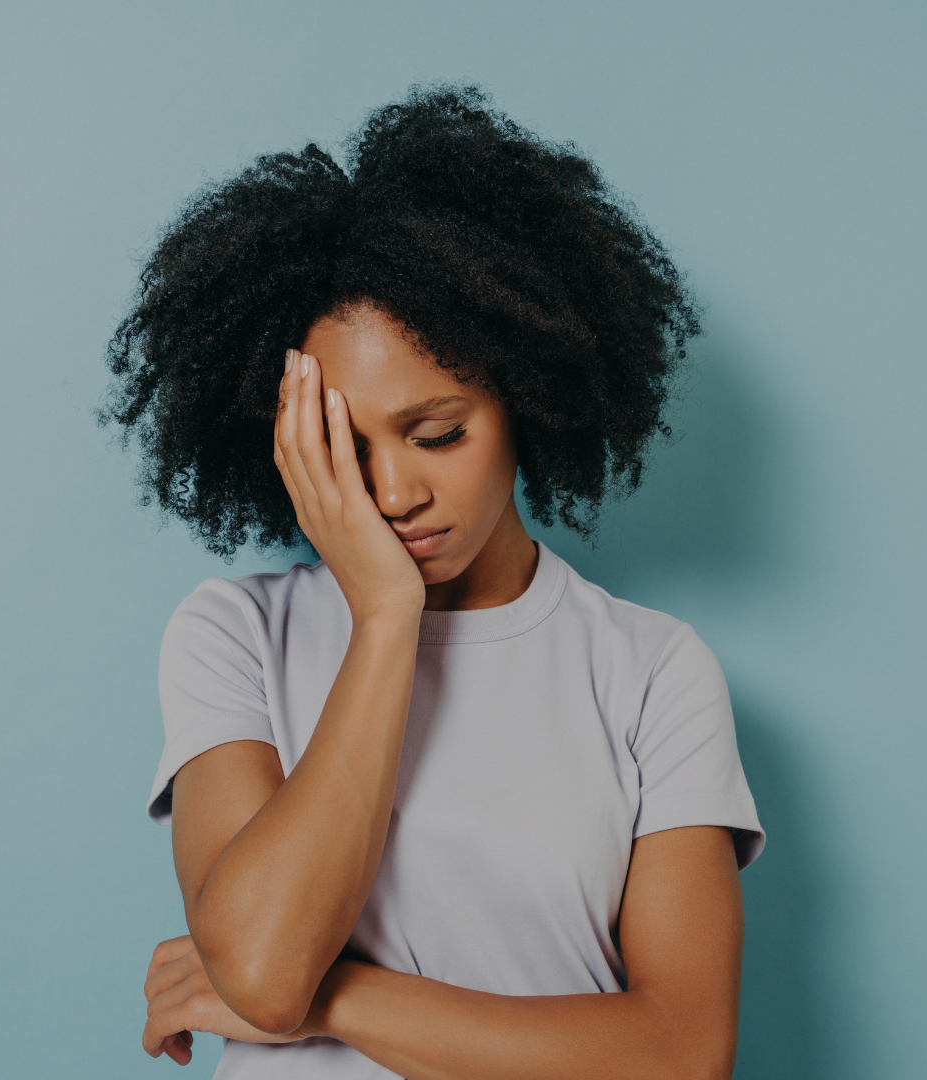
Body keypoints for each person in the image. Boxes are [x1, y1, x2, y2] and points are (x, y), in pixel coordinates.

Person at [102, 85, 764, 1080]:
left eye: (438, 433)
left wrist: (340, 998)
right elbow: (268, 979)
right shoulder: (232, 636)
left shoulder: (651, 672)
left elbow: (680, 1054)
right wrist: (383, 618)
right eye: (343, 448)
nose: (397, 491)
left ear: (526, 393)